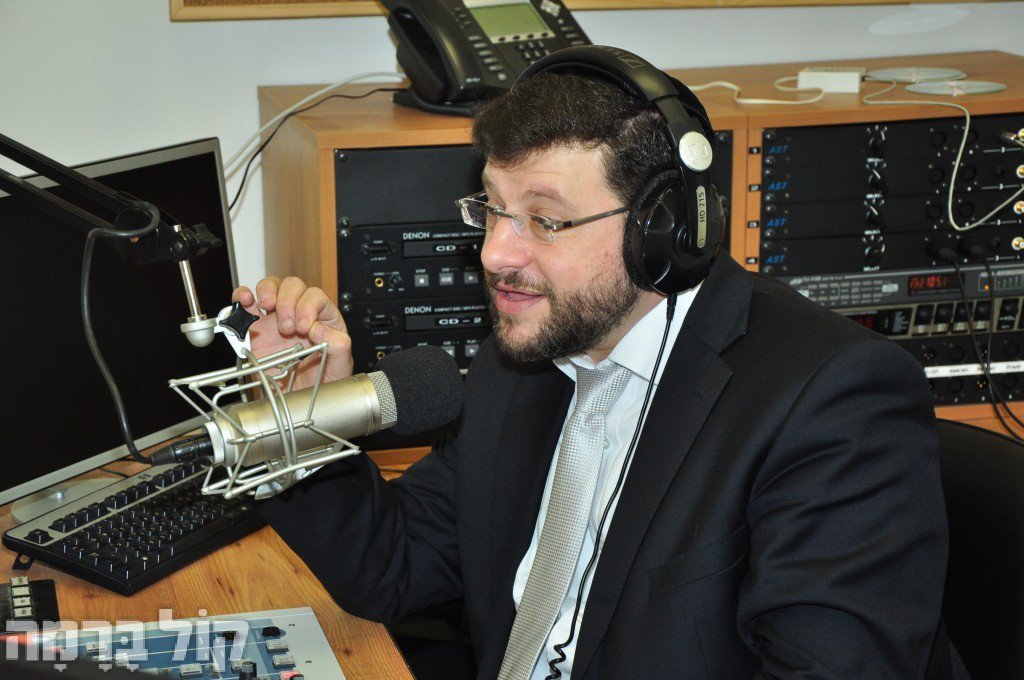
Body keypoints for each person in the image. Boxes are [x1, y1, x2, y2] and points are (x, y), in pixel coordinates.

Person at [233, 47, 964, 679]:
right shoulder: (522, 363)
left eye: (546, 220)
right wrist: (298, 415)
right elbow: (393, 567)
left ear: (661, 230)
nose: (496, 254)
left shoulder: (831, 401)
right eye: (491, 208)